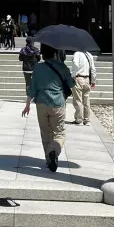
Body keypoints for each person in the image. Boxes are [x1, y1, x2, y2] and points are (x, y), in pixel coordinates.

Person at [22, 43, 75, 172]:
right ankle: (54, 151)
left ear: (42, 53)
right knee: (59, 132)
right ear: (55, 53)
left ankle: (49, 158)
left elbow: (32, 87)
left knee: (45, 132)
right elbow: (72, 84)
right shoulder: (62, 67)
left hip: (41, 102)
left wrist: (27, 104)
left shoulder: (38, 68)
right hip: (58, 102)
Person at [71, 51, 97, 125]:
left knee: (78, 100)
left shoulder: (77, 54)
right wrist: (93, 80)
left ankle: (79, 119)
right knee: (86, 100)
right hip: (87, 78)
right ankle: (87, 119)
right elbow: (93, 68)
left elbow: (75, 64)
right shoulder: (89, 55)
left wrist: (73, 75)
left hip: (79, 77)